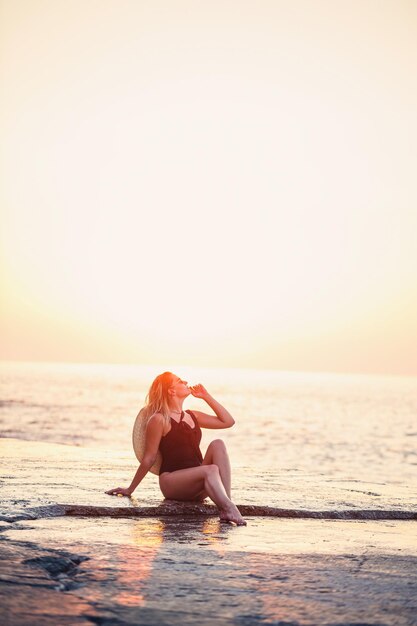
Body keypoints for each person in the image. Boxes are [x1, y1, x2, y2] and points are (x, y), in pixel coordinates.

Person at [106, 371, 246, 525]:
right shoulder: (159, 419)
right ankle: (228, 508)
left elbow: (228, 421)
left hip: (197, 482)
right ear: (171, 391)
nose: (185, 382)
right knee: (211, 470)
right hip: (172, 482)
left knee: (218, 444)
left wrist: (206, 396)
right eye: (179, 381)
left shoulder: (193, 416)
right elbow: (149, 457)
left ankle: (226, 504)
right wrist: (130, 489)